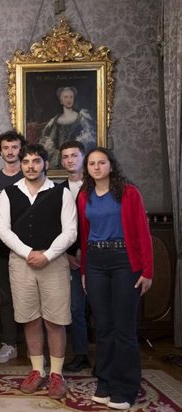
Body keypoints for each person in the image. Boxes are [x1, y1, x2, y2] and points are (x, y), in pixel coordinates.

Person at [0, 144, 77, 400]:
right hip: (21, 263)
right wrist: (27, 252)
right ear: (20, 165)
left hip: (53, 262)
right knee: (30, 318)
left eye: (36, 161)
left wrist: (47, 255)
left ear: (45, 163)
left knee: (55, 319)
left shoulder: (61, 193)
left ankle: (56, 374)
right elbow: (3, 230)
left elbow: (70, 231)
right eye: (26, 162)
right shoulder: (9, 193)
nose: (30, 166)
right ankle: (36, 371)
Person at [78, 147, 153, 410]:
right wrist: (85, 271)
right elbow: (85, 237)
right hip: (96, 263)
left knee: (124, 329)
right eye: (92, 164)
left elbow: (143, 233)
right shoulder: (84, 195)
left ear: (111, 165)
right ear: (87, 169)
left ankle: (126, 387)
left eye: (102, 162)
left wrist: (147, 272)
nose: (97, 167)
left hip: (125, 262)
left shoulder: (129, 193)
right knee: (104, 327)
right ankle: (106, 381)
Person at [0, 130, 26, 364]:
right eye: (6, 147)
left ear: (21, 149)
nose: (10, 152)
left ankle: (37, 346)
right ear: (0, 151)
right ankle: (9, 342)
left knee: (33, 296)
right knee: (7, 297)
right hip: (1, 251)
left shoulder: (31, 176)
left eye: (15, 147)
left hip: (30, 251)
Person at [57, 141, 91, 373]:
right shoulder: (58, 189)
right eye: (66, 156)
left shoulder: (96, 185)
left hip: (96, 256)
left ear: (83, 157)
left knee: (101, 309)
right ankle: (81, 354)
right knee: (76, 308)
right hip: (70, 259)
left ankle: (108, 358)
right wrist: (68, 254)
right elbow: (59, 226)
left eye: (74, 155)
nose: (70, 160)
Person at [39, 86, 96, 168]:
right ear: (61, 101)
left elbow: (89, 139)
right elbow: (49, 141)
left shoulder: (82, 118)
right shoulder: (55, 121)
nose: (69, 100)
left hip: (78, 163)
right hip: (60, 161)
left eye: (71, 97)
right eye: (65, 97)